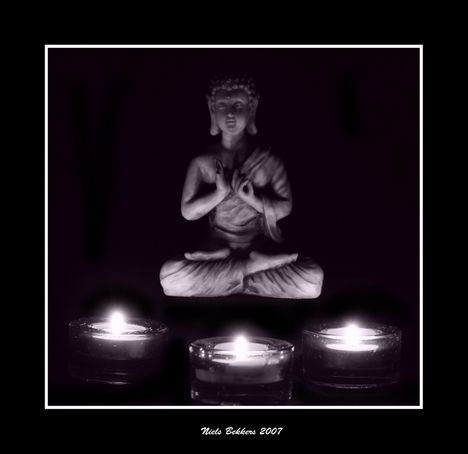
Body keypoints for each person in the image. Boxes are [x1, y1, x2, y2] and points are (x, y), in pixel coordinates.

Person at [160, 74, 323, 298]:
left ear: (252, 108)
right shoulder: (202, 162)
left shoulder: (269, 161)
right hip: (218, 249)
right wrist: (219, 193)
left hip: (261, 247)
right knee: (170, 276)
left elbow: (285, 207)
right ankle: (250, 269)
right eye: (222, 105)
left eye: (238, 105)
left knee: (312, 279)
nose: (230, 113)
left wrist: (252, 199)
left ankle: (236, 275)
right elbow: (188, 212)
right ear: (211, 109)